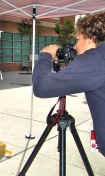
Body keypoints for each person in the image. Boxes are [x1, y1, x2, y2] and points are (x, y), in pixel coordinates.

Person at [32, 12, 105, 157]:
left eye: (78, 39)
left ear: (90, 39)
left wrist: (45, 55)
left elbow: (41, 87)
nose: (76, 47)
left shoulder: (95, 59)